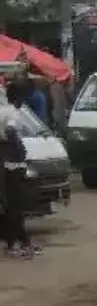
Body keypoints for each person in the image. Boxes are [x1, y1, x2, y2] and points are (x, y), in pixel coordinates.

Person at [1, 81, 35, 260]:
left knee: (9, 205)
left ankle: (20, 242)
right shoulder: (14, 113)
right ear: (19, 98)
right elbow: (11, 130)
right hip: (14, 164)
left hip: (4, 162)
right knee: (17, 205)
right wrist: (18, 148)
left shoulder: (2, 111)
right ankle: (16, 244)